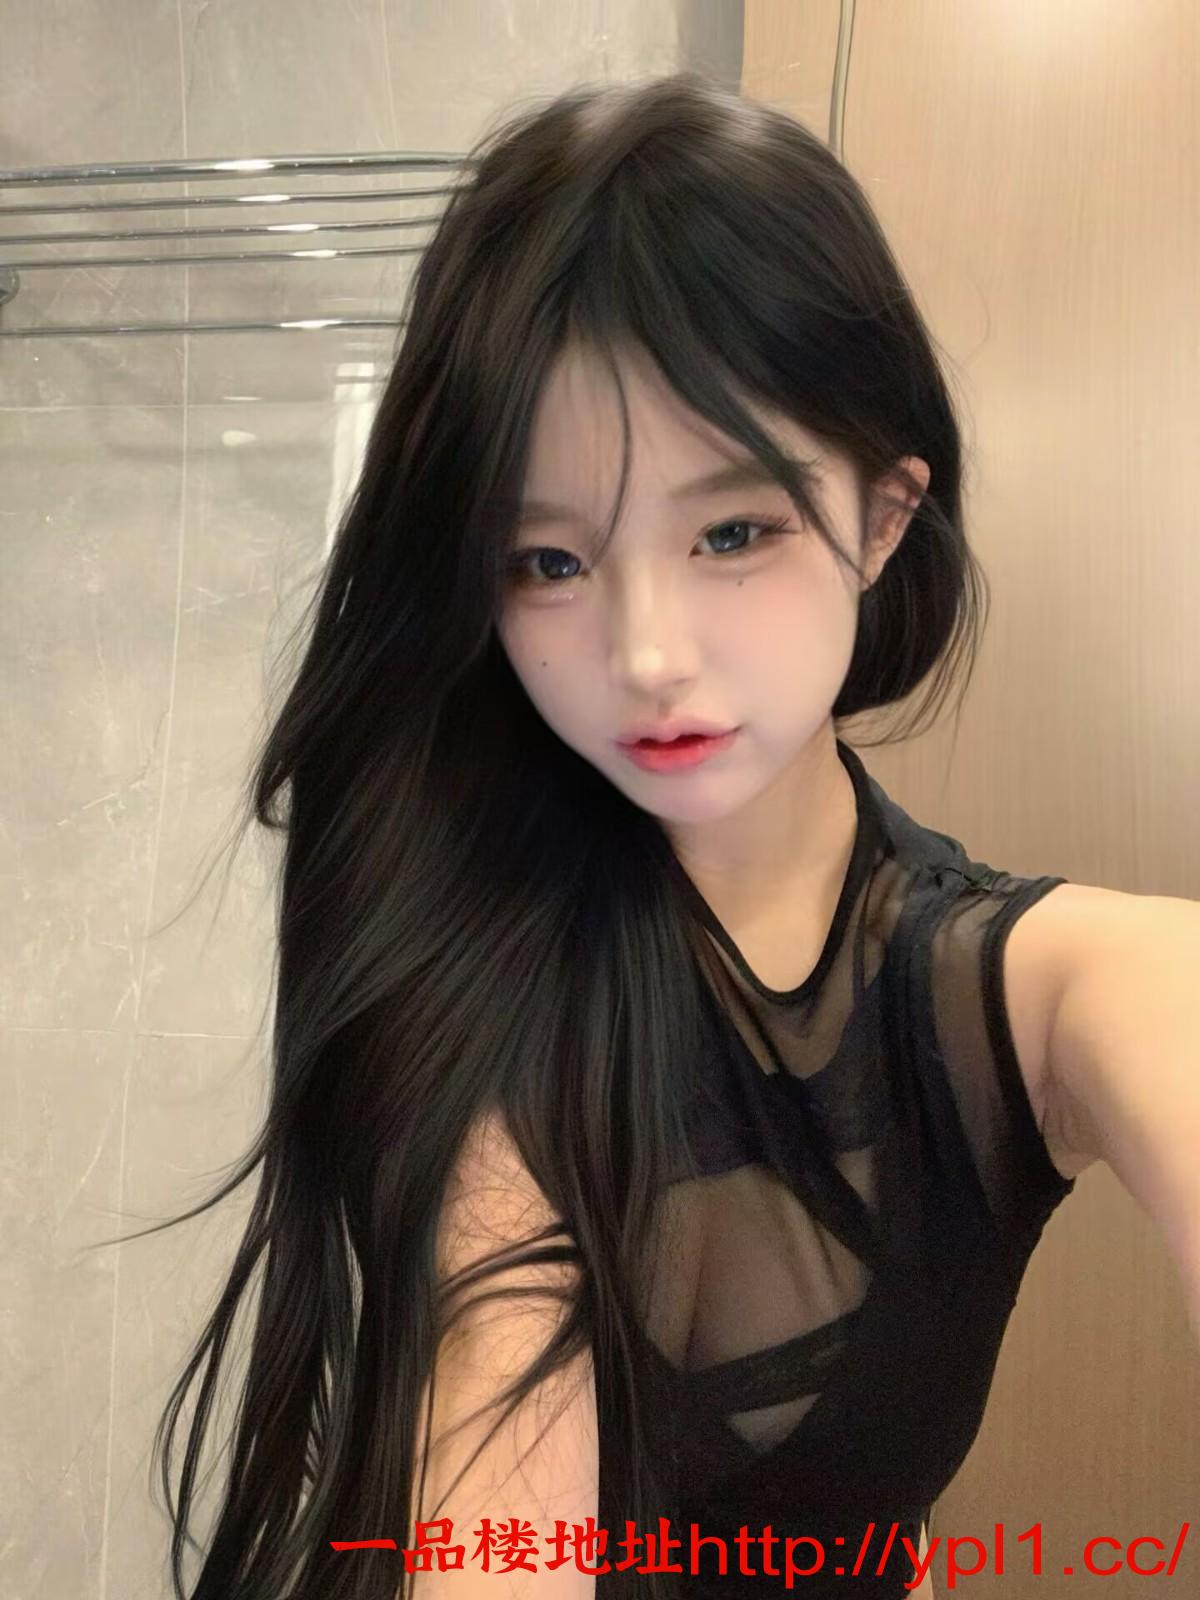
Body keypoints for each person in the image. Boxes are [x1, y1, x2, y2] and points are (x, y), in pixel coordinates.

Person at [128, 71, 1200, 1600]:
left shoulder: (1040, 986)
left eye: (731, 532)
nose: (644, 655)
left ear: (883, 515)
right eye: (549, 560)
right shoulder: (474, 945)